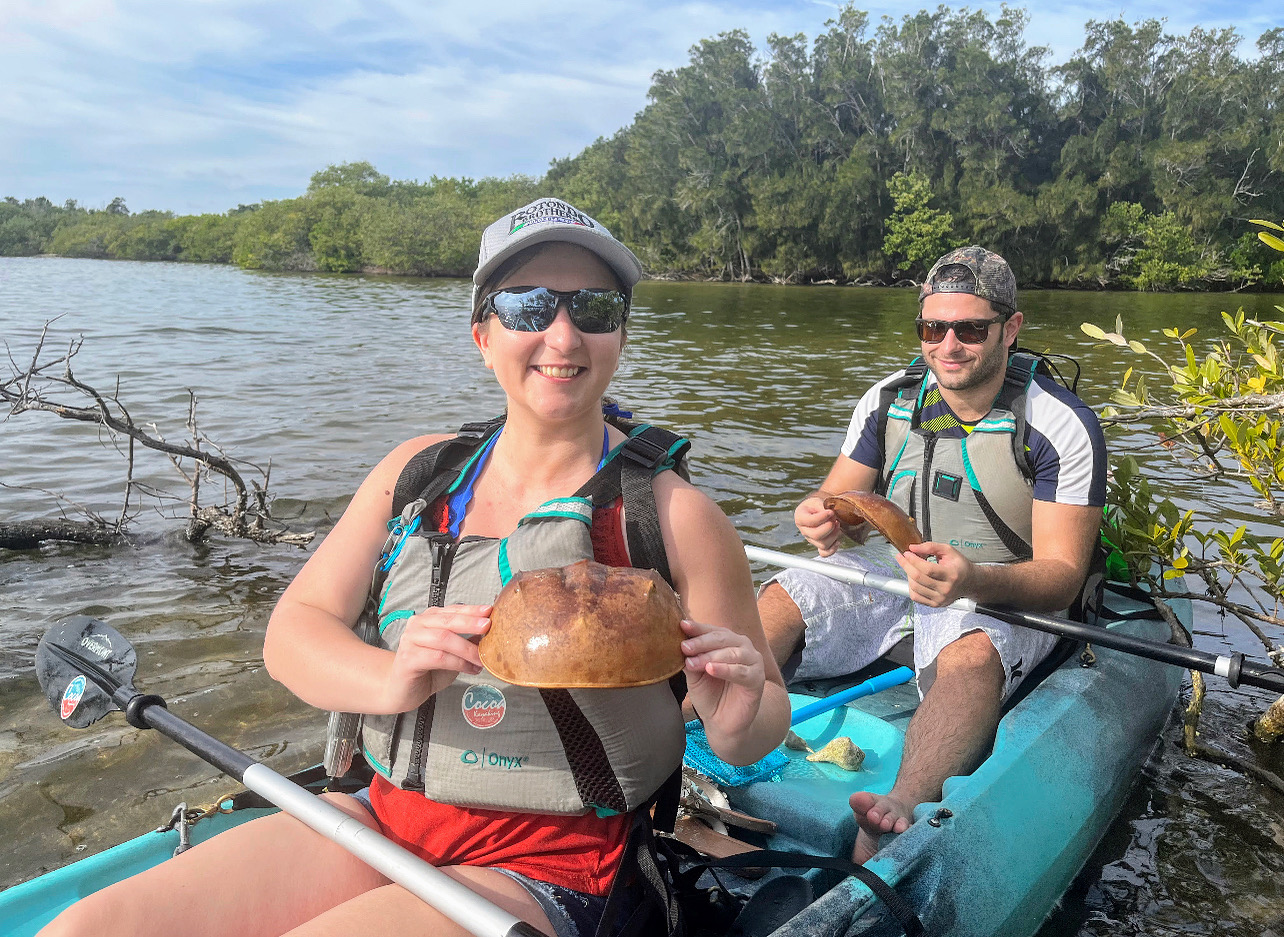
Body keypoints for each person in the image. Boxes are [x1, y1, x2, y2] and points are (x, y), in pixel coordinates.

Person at [40, 197, 790, 937]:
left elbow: (758, 723)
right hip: (384, 818)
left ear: (620, 333)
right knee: (84, 928)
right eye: (528, 305)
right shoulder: (418, 475)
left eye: (594, 306)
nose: (563, 332)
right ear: (481, 334)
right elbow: (292, 634)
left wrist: (734, 718)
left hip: (558, 868)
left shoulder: (674, 514)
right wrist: (390, 677)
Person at [757, 245, 1107, 865]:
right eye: (933, 328)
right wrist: (821, 519)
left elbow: (1061, 576)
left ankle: (898, 808)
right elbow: (842, 502)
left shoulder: (1059, 424)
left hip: (1001, 587)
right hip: (900, 573)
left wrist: (972, 580)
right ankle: (691, 721)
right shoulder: (887, 402)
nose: (949, 344)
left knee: (971, 651)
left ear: (1010, 328)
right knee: (785, 591)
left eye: (970, 328)